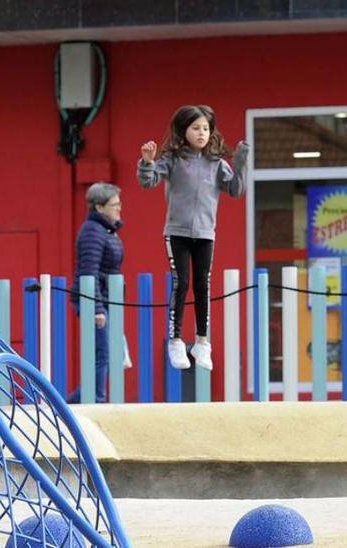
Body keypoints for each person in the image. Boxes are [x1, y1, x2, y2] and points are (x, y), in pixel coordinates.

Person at [138, 105, 249, 370]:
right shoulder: (173, 160)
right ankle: (175, 341)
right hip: (176, 232)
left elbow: (235, 190)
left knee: (203, 285)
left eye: (206, 129)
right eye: (196, 128)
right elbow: (148, 181)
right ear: (183, 130)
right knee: (182, 282)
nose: (201, 133)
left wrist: (241, 162)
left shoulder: (217, 163)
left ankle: (202, 342)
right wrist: (147, 162)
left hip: (205, 233)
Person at [67, 183, 127, 404]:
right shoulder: (93, 232)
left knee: (110, 354)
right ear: (99, 208)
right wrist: (97, 308)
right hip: (95, 301)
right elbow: (89, 271)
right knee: (102, 354)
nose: (119, 208)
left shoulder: (106, 231)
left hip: (105, 299)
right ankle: (96, 401)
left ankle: (78, 401)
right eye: (115, 205)